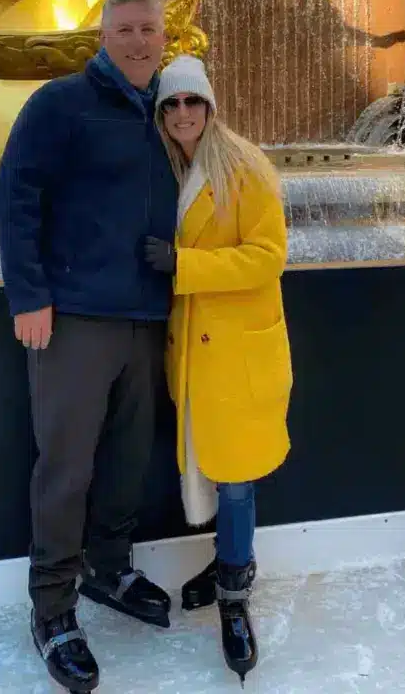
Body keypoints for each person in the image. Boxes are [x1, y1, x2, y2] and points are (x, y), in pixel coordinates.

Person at [0, 0, 177, 694]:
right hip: (71, 318)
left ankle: (109, 567)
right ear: (102, 36)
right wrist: (30, 295)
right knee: (65, 468)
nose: (137, 41)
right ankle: (52, 610)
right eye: (124, 29)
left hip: (145, 318)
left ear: (166, 35)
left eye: (148, 29)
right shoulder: (60, 103)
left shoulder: (171, 107)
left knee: (129, 455)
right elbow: (15, 196)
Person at [144, 55, 293, 685]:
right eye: (171, 105)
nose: (182, 114)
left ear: (210, 106)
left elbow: (268, 257)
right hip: (195, 353)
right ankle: (228, 560)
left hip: (236, 351)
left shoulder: (244, 166)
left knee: (234, 479)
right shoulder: (169, 169)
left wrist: (183, 265)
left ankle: (235, 592)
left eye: (191, 103)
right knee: (209, 466)